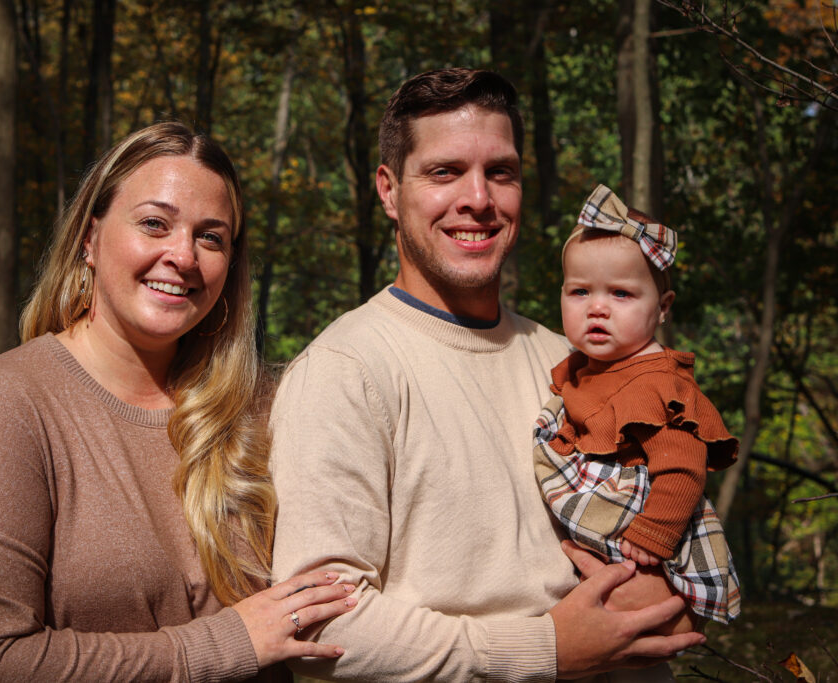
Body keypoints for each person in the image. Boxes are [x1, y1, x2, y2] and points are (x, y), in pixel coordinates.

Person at [269, 68, 705, 682]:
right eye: (444, 172)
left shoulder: (574, 361)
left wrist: (661, 596)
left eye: (500, 172)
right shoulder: (347, 372)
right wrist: (545, 648)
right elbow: (320, 626)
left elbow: (677, 556)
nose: (478, 198)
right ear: (389, 191)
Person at [0, 122, 357, 681]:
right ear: (89, 239)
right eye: (154, 224)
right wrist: (220, 646)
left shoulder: (260, 410)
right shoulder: (4, 404)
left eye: (211, 237)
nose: (183, 255)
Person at [532, 184, 740, 625]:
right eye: (580, 292)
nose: (598, 309)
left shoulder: (657, 381)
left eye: (621, 294)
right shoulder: (584, 367)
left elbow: (684, 464)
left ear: (662, 308)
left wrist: (655, 533)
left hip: (645, 524)